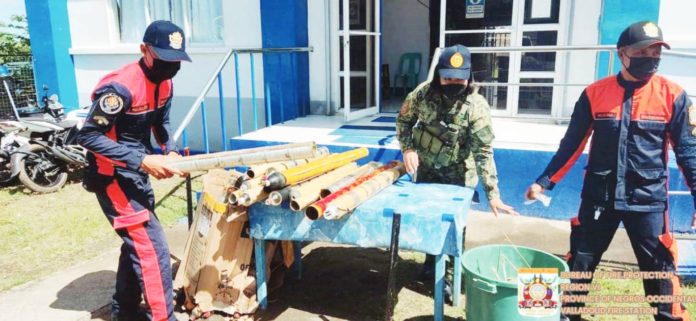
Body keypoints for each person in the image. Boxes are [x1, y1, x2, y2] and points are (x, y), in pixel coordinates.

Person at [525, 21, 692, 321]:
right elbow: (572, 144)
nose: (651, 57)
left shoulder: (673, 95)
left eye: (656, 51)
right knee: (581, 263)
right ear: (622, 54)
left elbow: (688, 153)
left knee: (661, 271)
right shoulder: (595, 94)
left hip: (648, 201)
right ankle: (566, 316)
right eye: (643, 51)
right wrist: (544, 181)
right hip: (599, 197)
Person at [77, 20, 191, 321]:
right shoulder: (119, 87)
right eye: (164, 60)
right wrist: (142, 161)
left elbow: (161, 123)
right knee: (153, 249)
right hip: (111, 176)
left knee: (136, 245)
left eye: (176, 61)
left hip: (136, 174)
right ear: (144, 50)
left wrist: (171, 151)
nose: (170, 67)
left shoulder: (165, 82)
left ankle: (124, 312)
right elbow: (88, 136)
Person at [396, 44, 518, 299]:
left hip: (459, 175)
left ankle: (451, 277)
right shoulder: (422, 94)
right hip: (428, 171)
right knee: (429, 218)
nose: (453, 83)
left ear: (469, 77)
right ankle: (430, 263)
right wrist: (408, 149)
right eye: (448, 77)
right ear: (438, 75)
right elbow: (404, 121)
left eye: (459, 78)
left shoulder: (476, 106)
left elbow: (484, 152)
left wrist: (493, 194)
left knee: (453, 227)